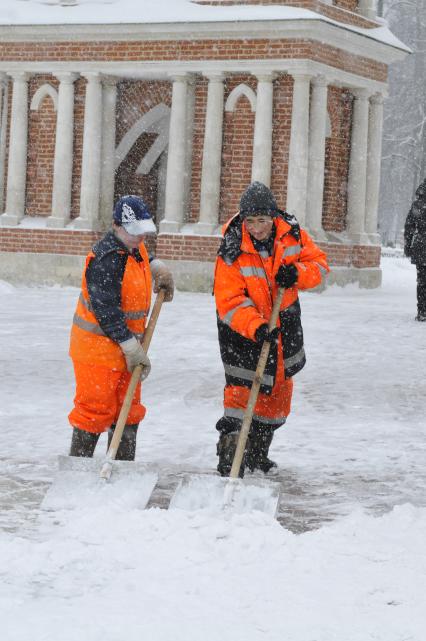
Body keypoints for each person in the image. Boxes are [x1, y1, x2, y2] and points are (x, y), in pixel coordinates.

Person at [214, 181, 329, 477]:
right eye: (250, 221)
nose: (256, 228)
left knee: (276, 393)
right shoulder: (231, 247)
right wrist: (256, 326)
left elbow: (320, 265)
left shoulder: (291, 234)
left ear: (273, 216)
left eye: (262, 220)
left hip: (285, 326)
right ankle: (230, 458)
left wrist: (298, 274)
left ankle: (257, 455)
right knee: (241, 394)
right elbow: (229, 301)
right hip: (243, 332)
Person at [68, 195, 174, 459]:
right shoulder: (106, 259)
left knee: (128, 410)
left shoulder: (133, 247)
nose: (139, 239)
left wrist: (157, 268)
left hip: (126, 347)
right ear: (117, 226)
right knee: (95, 410)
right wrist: (130, 346)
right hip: (97, 351)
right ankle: (79, 472)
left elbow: (140, 261)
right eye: (133, 232)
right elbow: (106, 311)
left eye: (142, 232)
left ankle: (120, 470)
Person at [404, 178, 426, 321]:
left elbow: (409, 227)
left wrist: (408, 246)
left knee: (422, 281)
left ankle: (422, 311)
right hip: (421, 246)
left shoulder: (418, 205)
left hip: (421, 246)